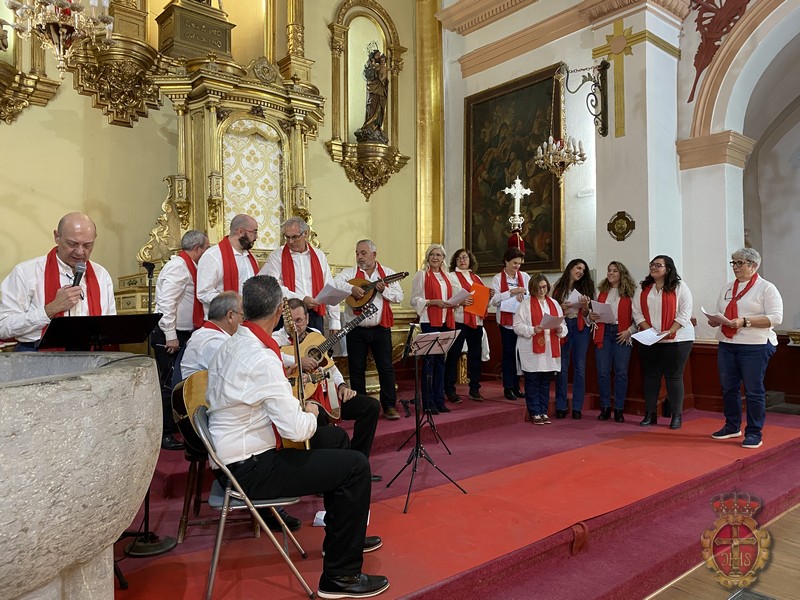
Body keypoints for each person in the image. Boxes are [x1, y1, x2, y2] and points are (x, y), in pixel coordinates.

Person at [206, 275, 388, 599]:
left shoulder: (232, 343)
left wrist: (295, 386)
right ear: (280, 311)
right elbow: (297, 430)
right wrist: (312, 411)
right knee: (356, 466)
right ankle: (340, 577)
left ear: (246, 309)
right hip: (250, 469)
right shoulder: (261, 357)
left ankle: (343, 537)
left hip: (231, 458)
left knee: (336, 440)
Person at [273, 299, 382, 481]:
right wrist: (298, 360)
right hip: (305, 398)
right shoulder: (277, 339)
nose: (295, 327)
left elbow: (330, 366)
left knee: (371, 406)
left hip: (328, 394)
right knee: (318, 418)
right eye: (290, 322)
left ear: (307, 318)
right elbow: (271, 356)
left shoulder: (315, 335)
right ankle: (326, 477)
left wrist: (342, 385)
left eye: (299, 321)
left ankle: (358, 465)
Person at [0, 212, 116, 348]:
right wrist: (50, 309)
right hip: (35, 352)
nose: (80, 252)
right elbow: (3, 327)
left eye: (87, 245)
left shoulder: (101, 274)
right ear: (57, 236)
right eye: (72, 244)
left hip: (90, 352)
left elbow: (110, 326)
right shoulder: (25, 272)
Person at [709, 248, 782, 449]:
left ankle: (754, 432)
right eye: (734, 263)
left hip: (755, 345)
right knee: (728, 387)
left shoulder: (766, 288)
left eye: (740, 263)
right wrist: (717, 320)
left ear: (753, 265)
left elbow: (776, 318)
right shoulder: (727, 288)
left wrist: (745, 321)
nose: (735, 267)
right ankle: (732, 426)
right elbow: (723, 312)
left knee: (753, 390)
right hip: (727, 343)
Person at [152, 230, 210, 450]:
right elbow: (166, 303)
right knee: (168, 384)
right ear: (197, 248)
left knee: (178, 382)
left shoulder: (189, 266)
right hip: (170, 334)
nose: (208, 253)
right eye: (206, 248)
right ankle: (165, 433)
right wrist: (170, 335)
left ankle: (174, 426)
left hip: (182, 333)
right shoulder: (178, 267)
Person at [334, 239, 403, 420]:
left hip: (381, 328)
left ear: (374, 254)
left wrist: (384, 290)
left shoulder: (388, 273)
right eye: (357, 253)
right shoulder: (350, 273)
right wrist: (351, 288)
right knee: (356, 368)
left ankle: (389, 406)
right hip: (356, 329)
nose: (359, 257)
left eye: (363, 253)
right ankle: (361, 406)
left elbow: (399, 296)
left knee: (385, 367)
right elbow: (334, 283)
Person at [632, 255, 694, 429]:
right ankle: (650, 414)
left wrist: (670, 331)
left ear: (668, 269)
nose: (653, 267)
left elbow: (684, 313)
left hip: (678, 338)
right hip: (650, 338)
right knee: (651, 377)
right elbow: (636, 311)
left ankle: (676, 416)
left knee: (673, 377)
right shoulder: (643, 287)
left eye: (658, 265)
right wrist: (650, 331)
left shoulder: (680, 287)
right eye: (652, 264)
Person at [260, 216, 341, 333]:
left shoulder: (319, 256)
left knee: (315, 344)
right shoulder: (277, 256)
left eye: (294, 237)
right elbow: (273, 287)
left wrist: (334, 321)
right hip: (287, 314)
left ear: (305, 234)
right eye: (287, 237)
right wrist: (301, 299)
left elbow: (329, 288)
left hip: (314, 314)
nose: (290, 241)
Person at [410, 244, 459, 414]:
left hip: (446, 320)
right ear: (427, 257)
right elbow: (414, 300)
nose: (435, 258)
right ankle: (428, 402)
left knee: (441, 362)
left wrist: (454, 302)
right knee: (429, 362)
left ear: (443, 258)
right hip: (429, 320)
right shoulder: (422, 275)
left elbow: (450, 297)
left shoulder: (447, 276)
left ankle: (439, 401)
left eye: (439, 255)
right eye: (432, 254)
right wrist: (432, 302)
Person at [514, 274, 567, 424]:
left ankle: (543, 410)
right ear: (532, 288)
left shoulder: (554, 304)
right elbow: (517, 326)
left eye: (544, 287)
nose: (542, 290)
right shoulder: (525, 305)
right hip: (531, 348)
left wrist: (560, 329)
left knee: (545, 381)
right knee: (533, 380)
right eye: (538, 288)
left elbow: (563, 325)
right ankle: (535, 412)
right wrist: (532, 329)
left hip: (550, 349)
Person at [590, 261, 637, 423]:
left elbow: (638, 317)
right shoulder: (601, 291)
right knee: (603, 372)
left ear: (622, 273)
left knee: (621, 372)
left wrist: (629, 331)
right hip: (604, 332)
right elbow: (593, 315)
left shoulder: (631, 293)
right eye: (609, 270)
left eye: (614, 271)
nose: (610, 273)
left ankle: (618, 409)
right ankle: (605, 407)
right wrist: (592, 316)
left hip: (622, 333)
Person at [445, 248, 493, 402]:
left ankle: (474, 389)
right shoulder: (450, 277)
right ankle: (449, 389)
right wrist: (461, 302)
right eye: (459, 258)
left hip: (476, 322)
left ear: (470, 260)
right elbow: (447, 299)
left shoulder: (476, 278)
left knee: (475, 356)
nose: (462, 260)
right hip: (459, 320)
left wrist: (489, 297)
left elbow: (483, 303)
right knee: (453, 355)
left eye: (465, 257)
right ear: (455, 261)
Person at [551, 259, 595, 420]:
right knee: (562, 367)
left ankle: (577, 407)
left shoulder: (587, 287)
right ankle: (561, 405)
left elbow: (589, 315)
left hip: (580, 327)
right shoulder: (557, 287)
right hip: (563, 326)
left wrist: (585, 307)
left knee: (580, 367)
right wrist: (560, 307)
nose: (580, 272)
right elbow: (549, 309)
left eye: (583, 270)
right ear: (570, 268)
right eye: (578, 268)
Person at [196, 214, 260, 315]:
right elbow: (203, 293)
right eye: (254, 232)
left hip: (249, 316)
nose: (256, 237)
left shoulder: (250, 257)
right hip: (223, 318)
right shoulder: (213, 256)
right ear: (240, 232)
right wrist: (234, 303)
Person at [491, 247, 530, 400]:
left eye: (519, 263)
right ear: (506, 261)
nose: (517, 266)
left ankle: (516, 386)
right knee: (509, 354)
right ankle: (508, 387)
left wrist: (523, 295)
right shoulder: (497, 279)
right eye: (514, 263)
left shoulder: (525, 277)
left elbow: (531, 295)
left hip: (521, 321)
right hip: (506, 323)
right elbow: (494, 300)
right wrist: (511, 292)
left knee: (519, 355)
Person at [179, 291, 243, 380]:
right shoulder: (214, 342)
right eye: (243, 317)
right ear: (230, 316)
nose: (243, 323)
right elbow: (236, 378)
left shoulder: (205, 333)